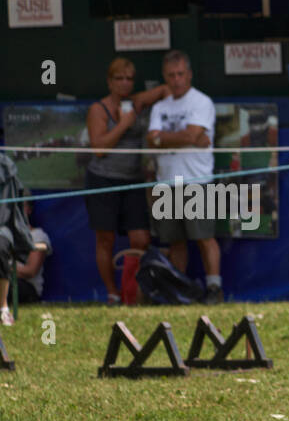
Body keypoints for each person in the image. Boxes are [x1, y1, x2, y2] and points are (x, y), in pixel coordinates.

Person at [85, 58, 168, 305]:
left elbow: (165, 90)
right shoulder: (98, 109)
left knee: (141, 238)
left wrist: (141, 101)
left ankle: (135, 291)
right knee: (105, 239)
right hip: (103, 179)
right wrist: (124, 124)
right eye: (119, 78)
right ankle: (112, 293)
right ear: (109, 82)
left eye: (129, 79)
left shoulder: (137, 101)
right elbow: (99, 149)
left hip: (133, 180)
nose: (124, 83)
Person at [146, 50, 221, 303]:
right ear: (164, 77)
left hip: (196, 180)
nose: (176, 79)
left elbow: (184, 136)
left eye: (180, 74)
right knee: (174, 241)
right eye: (171, 75)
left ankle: (214, 288)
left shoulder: (202, 102)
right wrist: (187, 137)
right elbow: (153, 139)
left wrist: (163, 138)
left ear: (189, 74)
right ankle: (179, 290)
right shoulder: (159, 106)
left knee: (203, 237)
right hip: (166, 181)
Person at [0, 159, 40, 326]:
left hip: (1, 226)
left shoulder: (4, 166)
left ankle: (2, 307)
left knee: (0, 244)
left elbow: (5, 213)